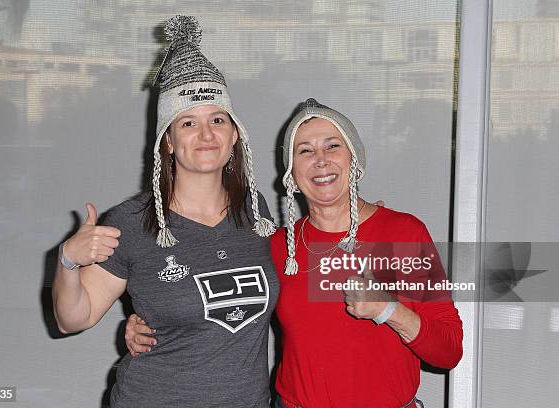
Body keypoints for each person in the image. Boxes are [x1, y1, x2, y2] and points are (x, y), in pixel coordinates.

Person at [127, 98, 463, 407]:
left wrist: (389, 309)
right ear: (292, 174)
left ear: (354, 158)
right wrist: (150, 322)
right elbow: (215, 296)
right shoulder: (277, 245)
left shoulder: (402, 234)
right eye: (305, 151)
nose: (321, 160)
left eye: (333, 146)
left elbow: (448, 351)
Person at [52, 16, 278, 408]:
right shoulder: (131, 222)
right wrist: (68, 260)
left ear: (235, 134)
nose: (206, 135)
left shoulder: (254, 210)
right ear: (168, 142)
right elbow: (73, 318)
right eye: (188, 123)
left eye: (218, 120)